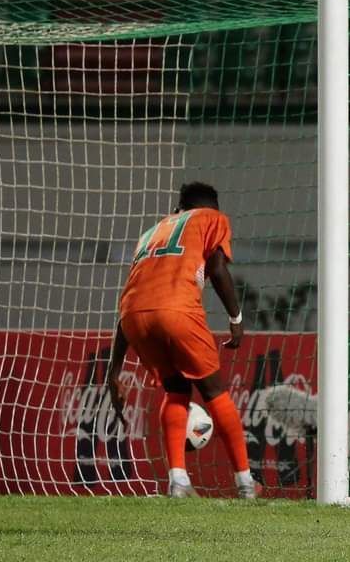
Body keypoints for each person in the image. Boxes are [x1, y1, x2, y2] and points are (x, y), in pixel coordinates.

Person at [107, 181, 255, 498]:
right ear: (209, 208)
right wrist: (236, 318)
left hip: (133, 319)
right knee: (214, 390)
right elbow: (216, 266)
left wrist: (114, 369)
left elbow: (130, 298)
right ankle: (245, 483)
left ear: (178, 209)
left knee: (175, 388)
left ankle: (178, 481)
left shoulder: (152, 233)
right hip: (176, 311)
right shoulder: (211, 218)